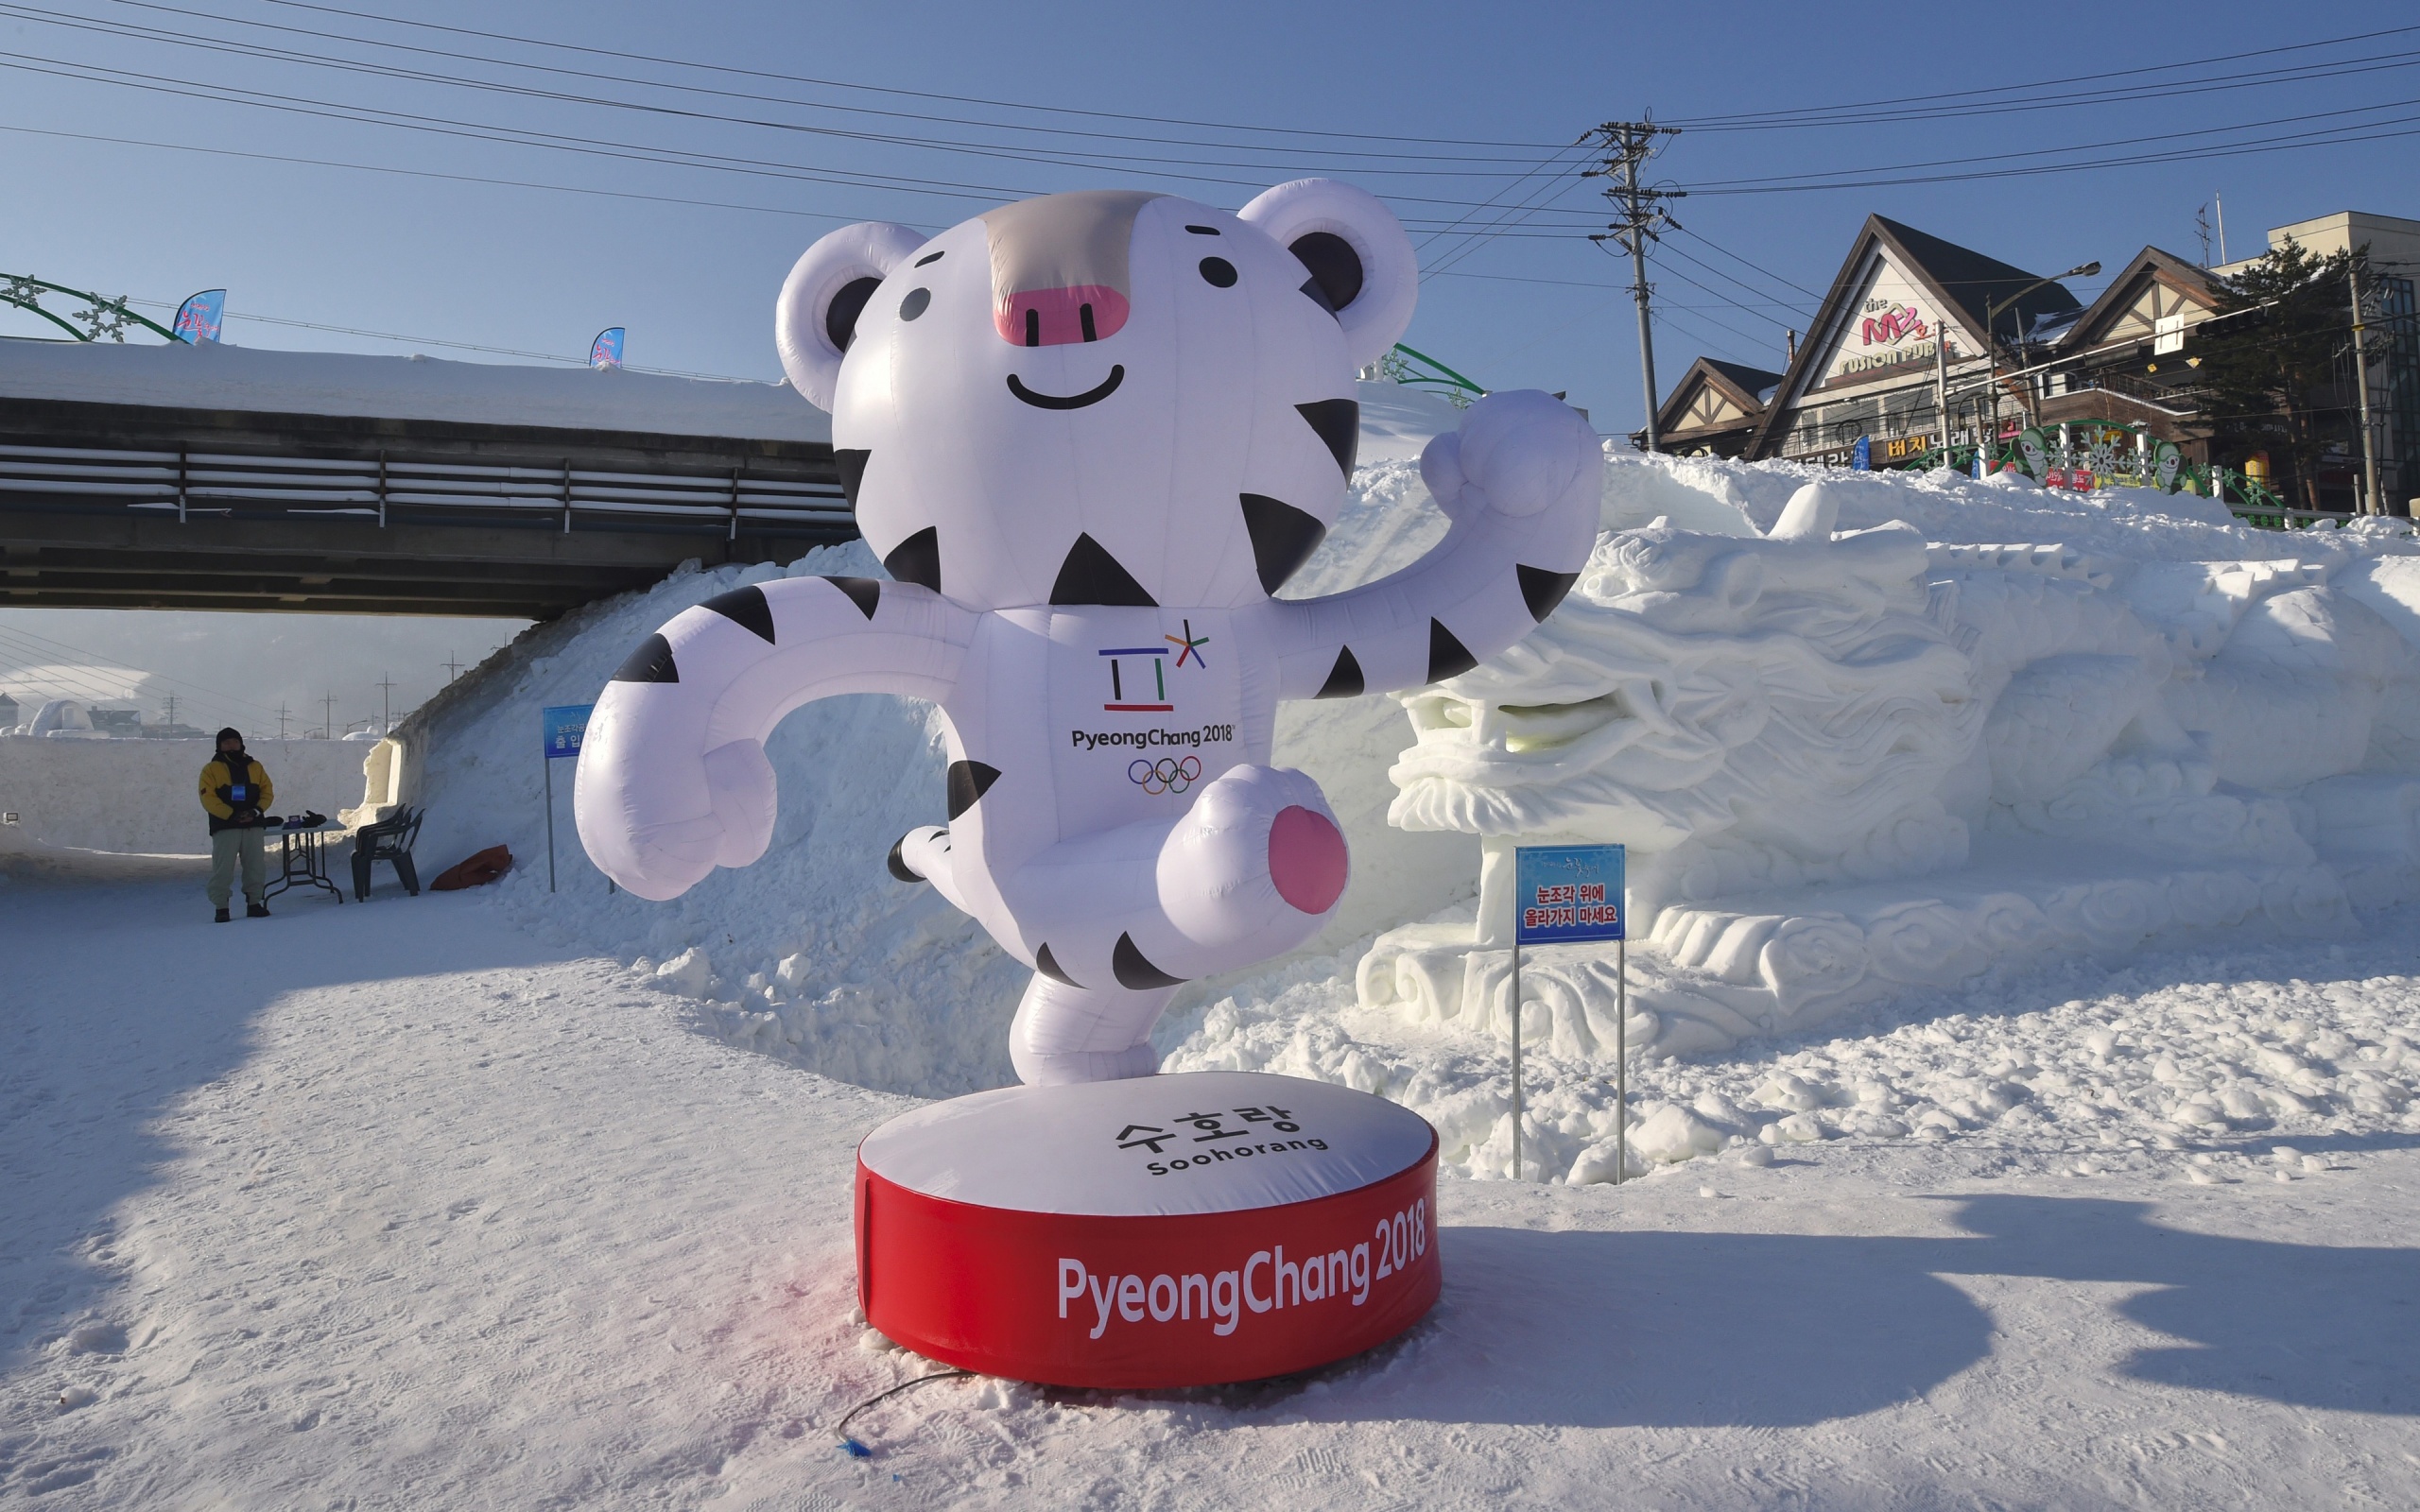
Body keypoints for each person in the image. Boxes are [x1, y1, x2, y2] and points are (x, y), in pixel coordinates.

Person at [199, 727, 275, 922]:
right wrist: (232, 815)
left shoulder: (255, 766)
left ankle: (254, 903)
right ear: (219, 746)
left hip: (253, 825)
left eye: (234, 741)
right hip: (226, 827)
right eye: (226, 742)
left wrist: (256, 811)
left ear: (241, 743)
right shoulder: (211, 769)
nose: (231, 745)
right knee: (222, 868)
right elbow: (208, 798)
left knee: (255, 866)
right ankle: (221, 907)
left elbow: (267, 791)